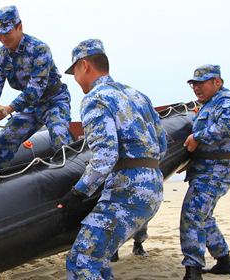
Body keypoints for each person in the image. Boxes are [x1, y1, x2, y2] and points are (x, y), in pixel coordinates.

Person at [57, 38, 167, 279]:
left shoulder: (95, 99)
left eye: (74, 71)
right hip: (153, 188)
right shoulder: (137, 95)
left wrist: (78, 193)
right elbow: (162, 145)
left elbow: (106, 155)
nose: (75, 79)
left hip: (127, 193)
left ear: (84, 65)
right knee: (99, 257)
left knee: (82, 260)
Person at [0, 5, 73, 171]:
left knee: (59, 139)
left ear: (19, 27)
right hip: (30, 107)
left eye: (7, 32)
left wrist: (9, 108)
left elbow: (36, 89)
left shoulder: (39, 49)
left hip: (54, 101)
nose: (2, 38)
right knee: (0, 145)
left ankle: (75, 179)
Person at [180, 64, 230, 280]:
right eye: (194, 84)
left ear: (217, 82)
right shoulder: (210, 104)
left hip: (216, 170)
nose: (197, 88)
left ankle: (193, 271)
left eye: (202, 83)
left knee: (192, 215)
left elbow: (228, 127)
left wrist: (198, 137)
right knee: (203, 216)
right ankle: (224, 261)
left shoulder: (226, 101)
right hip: (206, 169)